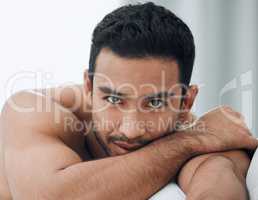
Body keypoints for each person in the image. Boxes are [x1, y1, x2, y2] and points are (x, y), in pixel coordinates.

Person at [0, 2, 257, 200]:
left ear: (186, 101)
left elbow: (216, 176)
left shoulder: (196, 134)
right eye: (113, 98)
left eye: (155, 103)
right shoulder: (32, 111)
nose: (130, 129)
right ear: (89, 87)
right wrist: (190, 142)